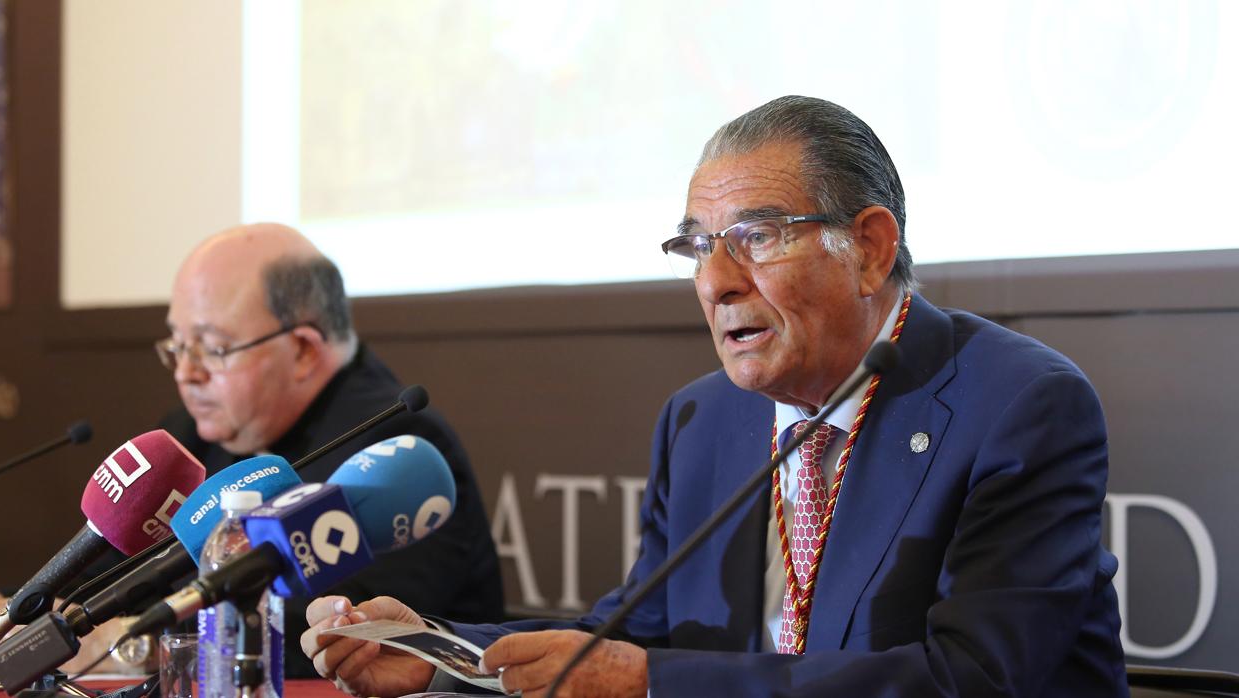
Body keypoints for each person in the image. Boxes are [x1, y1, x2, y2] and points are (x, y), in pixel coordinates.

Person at [300, 97, 1127, 697]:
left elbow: (971, 679)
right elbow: (631, 638)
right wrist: (442, 654)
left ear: (871, 248)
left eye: (757, 238)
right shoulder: (703, 420)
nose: (715, 283)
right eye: (697, 247)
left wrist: (652, 683)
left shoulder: (1018, 407)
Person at [156, 223, 503, 677]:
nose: (186, 372)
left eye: (213, 348)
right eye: (178, 345)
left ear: (302, 350)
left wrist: (143, 645)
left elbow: (339, 637)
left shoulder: (392, 454)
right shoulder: (191, 438)